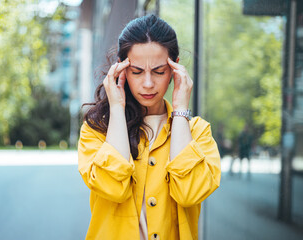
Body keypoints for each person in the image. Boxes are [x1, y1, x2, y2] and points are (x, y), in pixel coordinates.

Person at [78, 14, 221, 240]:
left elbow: (189, 193)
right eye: (136, 72)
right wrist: (116, 108)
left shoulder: (197, 132)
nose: (147, 83)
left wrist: (181, 108)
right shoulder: (97, 130)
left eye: (159, 71)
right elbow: (113, 188)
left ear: (175, 69)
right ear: (121, 69)